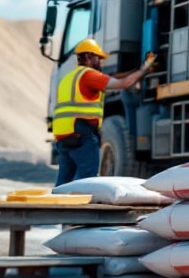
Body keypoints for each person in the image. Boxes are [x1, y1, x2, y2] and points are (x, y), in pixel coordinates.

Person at [52, 39, 155, 186]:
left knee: (64, 180)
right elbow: (124, 83)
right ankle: (79, 208)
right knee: (86, 178)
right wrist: (145, 69)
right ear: (87, 57)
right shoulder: (89, 76)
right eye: (97, 58)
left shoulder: (68, 78)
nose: (100, 62)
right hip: (82, 133)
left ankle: (58, 207)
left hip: (64, 135)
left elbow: (115, 78)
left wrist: (136, 71)